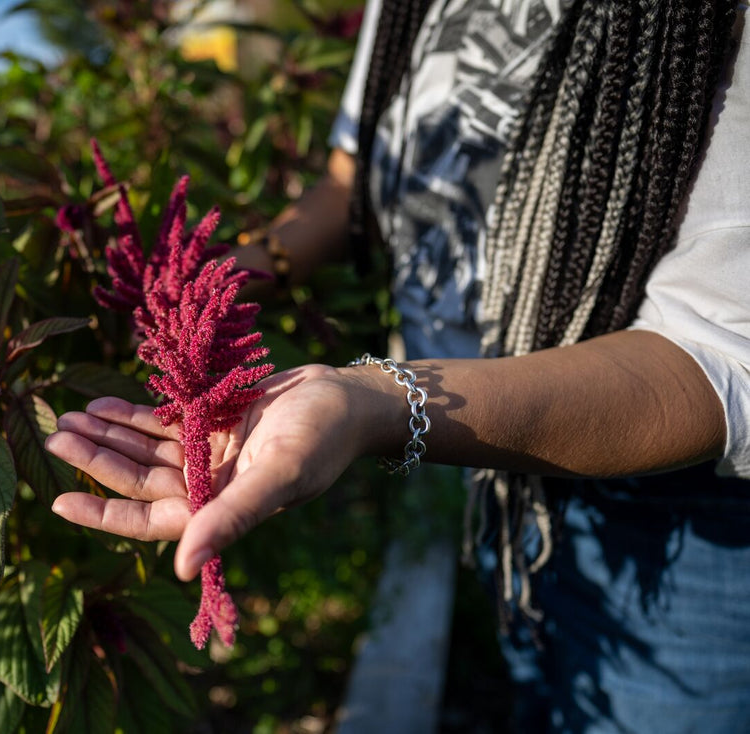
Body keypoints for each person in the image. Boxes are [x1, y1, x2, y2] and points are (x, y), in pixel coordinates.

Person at [46, 1, 750, 730]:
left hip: (680, 516)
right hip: (496, 474)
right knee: (542, 699)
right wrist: (230, 276)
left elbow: (721, 353)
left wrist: (374, 400)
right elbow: (350, 181)